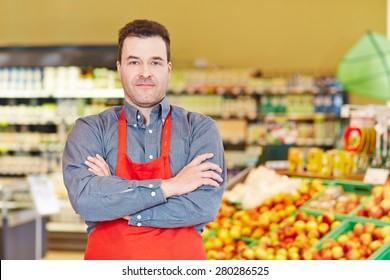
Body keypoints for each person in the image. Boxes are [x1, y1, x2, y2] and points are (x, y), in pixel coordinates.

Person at [62, 19, 226, 260]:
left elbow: (203, 206)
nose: (145, 72)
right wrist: (173, 186)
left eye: (155, 62)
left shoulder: (200, 128)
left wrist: (119, 202)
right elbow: (86, 200)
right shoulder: (91, 129)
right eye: (134, 62)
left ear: (168, 69)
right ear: (119, 68)